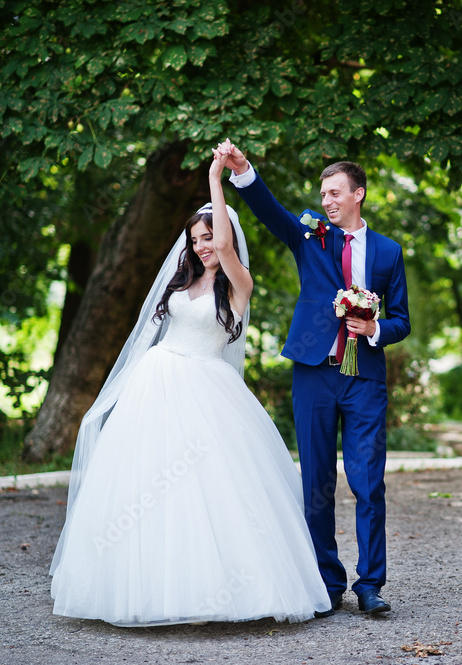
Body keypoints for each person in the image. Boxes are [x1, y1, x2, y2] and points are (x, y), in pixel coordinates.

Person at [48, 149, 330, 626]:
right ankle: (147, 591)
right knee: (143, 489)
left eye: (209, 237)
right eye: (196, 239)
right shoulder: (182, 284)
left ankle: (221, 592)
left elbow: (223, 249)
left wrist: (215, 182)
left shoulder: (239, 283)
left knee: (210, 490)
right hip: (155, 386)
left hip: (207, 389)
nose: (204, 246)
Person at [217, 138, 410, 616]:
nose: (326, 201)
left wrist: (375, 328)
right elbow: (269, 209)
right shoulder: (311, 235)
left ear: (358, 194)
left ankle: (370, 585)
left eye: (335, 193)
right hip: (313, 376)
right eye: (323, 194)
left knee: (368, 482)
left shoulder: (387, 253)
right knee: (316, 481)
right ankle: (326, 583)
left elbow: (402, 319)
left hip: (364, 377)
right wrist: (243, 170)